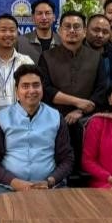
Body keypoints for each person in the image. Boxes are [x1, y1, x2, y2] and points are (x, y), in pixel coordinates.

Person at [0, 65, 73, 194]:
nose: (31, 90)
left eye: (36, 85)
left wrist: (50, 181)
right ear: (16, 90)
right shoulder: (0, 119)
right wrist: (14, 182)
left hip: (50, 187)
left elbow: (67, 159)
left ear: (42, 88)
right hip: (8, 187)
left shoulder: (56, 117)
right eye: (25, 86)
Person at [38, 11, 107, 155]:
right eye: (67, 26)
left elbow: (101, 90)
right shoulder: (47, 56)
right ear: (59, 30)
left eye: (76, 26)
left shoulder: (96, 57)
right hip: (54, 121)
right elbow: (45, 89)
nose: (72, 30)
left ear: (84, 31)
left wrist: (80, 111)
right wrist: (77, 102)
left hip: (88, 122)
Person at [0, 14, 34, 113]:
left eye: (12, 30)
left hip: (20, 118)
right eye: (3, 30)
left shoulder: (26, 62)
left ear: (17, 34)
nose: (8, 34)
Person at [85, 14, 112, 80]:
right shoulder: (75, 51)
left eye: (105, 32)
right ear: (85, 30)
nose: (100, 35)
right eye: (96, 30)